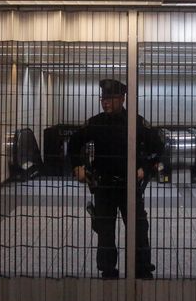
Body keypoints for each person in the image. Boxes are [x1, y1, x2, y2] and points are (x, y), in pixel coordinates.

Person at [68, 79, 164, 279]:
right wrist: (77, 165)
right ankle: (107, 270)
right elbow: (74, 143)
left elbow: (158, 147)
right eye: (103, 98)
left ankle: (142, 269)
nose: (105, 103)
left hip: (130, 186)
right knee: (105, 232)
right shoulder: (96, 122)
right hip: (104, 186)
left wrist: (144, 167)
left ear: (122, 99)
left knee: (138, 229)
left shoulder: (135, 122)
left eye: (110, 99)